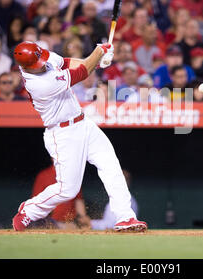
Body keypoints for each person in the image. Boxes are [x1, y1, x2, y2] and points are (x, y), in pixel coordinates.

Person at [11, 41, 147, 232]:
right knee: (68, 189)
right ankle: (29, 211)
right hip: (62, 133)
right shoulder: (38, 84)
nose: (42, 64)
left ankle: (125, 217)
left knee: (110, 164)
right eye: (37, 63)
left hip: (83, 123)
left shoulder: (38, 55)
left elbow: (66, 63)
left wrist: (96, 61)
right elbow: (81, 73)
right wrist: (97, 54)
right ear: (26, 67)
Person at [31, 162, 91, 229]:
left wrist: (83, 217)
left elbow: (78, 200)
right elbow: (37, 204)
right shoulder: (44, 176)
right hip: (50, 222)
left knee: (83, 227)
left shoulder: (71, 176)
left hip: (71, 222)